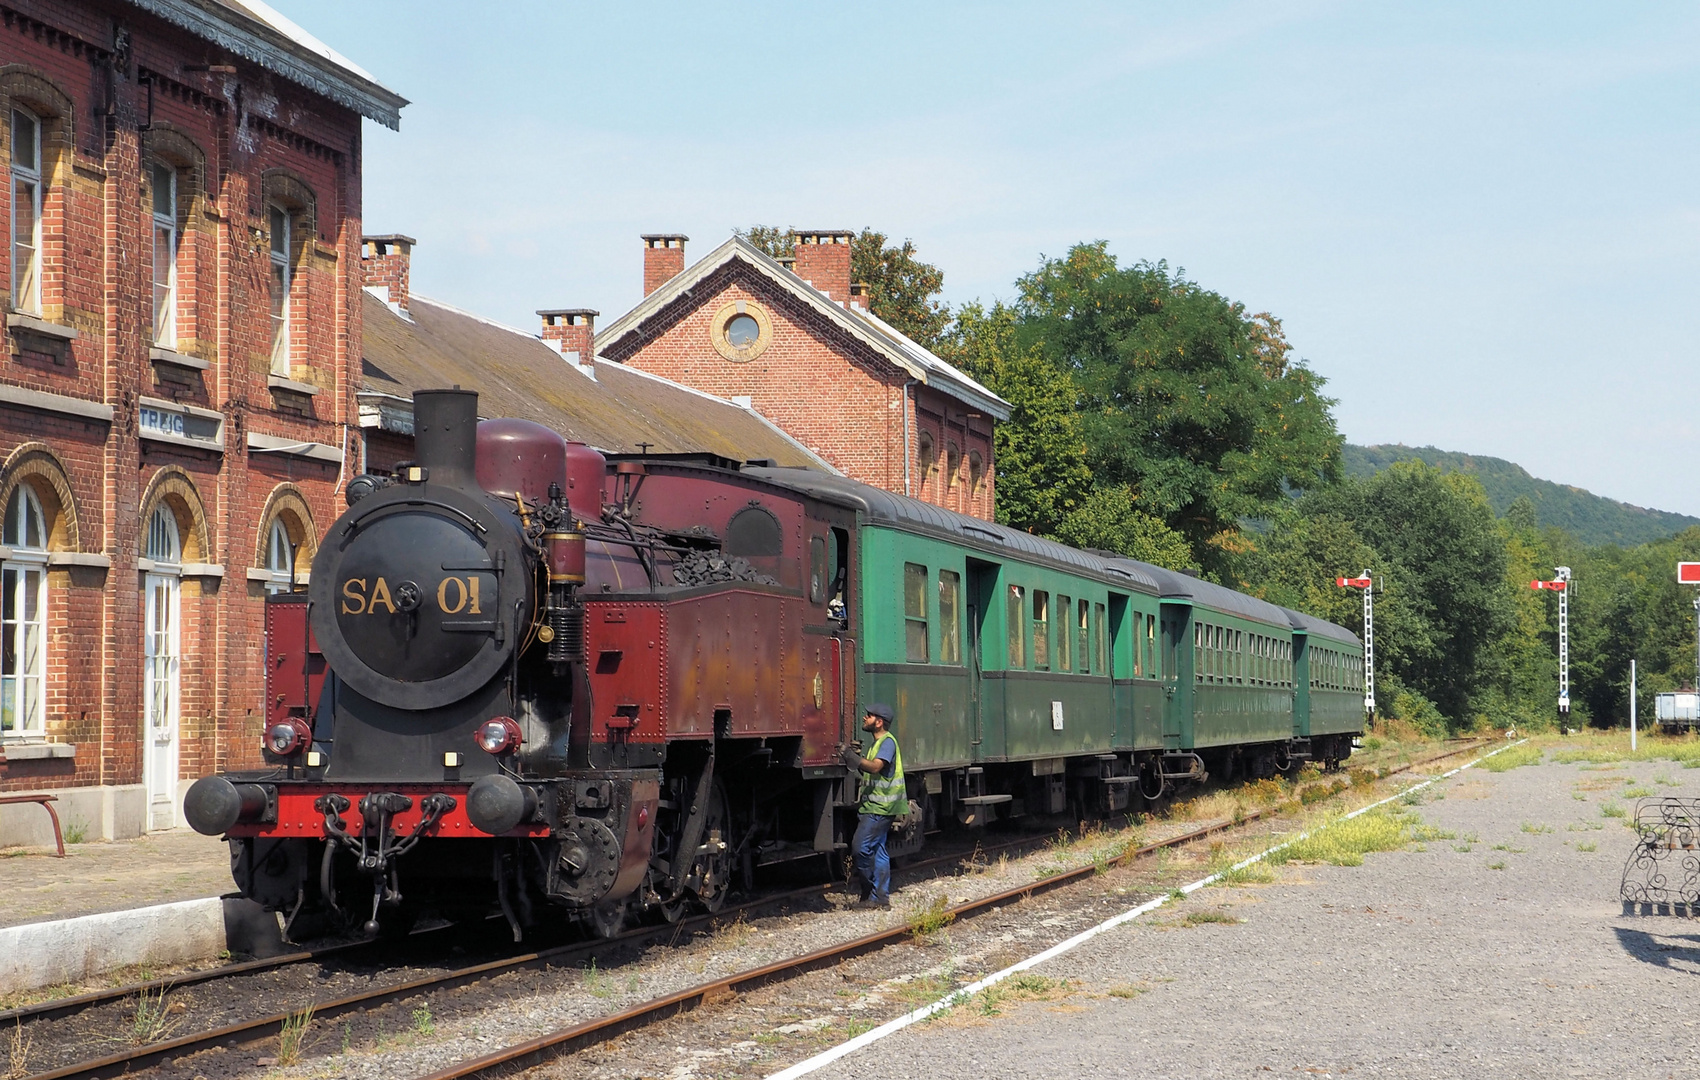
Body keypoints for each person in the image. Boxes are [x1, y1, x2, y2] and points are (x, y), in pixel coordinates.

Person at [841, 703, 905, 909]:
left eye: (869, 716)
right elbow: (869, 774)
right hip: (874, 805)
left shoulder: (887, 743)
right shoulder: (876, 744)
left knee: (860, 848)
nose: (864, 718)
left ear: (879, 722)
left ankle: (871, 893)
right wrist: (855, 759)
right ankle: (880, 898)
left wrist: (852, 757)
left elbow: (876, 768)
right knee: (877, 850)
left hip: (881, 807)